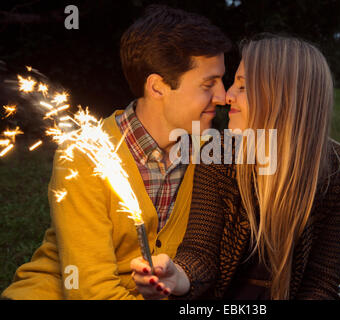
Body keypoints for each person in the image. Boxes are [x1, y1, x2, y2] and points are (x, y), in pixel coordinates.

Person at [1, 5, 231, 299]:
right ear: (158, 86)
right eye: (208, 84)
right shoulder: (85, 155)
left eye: (222, 81)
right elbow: (90, 290)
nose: (223, 96)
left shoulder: (212, 153)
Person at [130, 34, 340, 300]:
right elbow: (200, 255)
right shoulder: (218, 156)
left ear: (282, 96)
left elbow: (320, 282)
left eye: (243, 87)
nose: (227, 96)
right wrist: (179, 277)